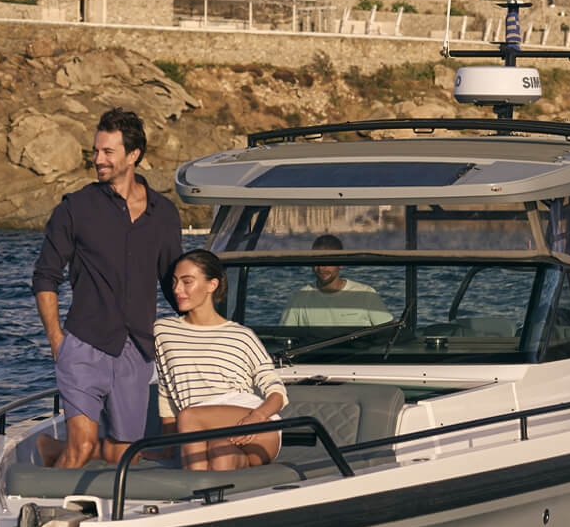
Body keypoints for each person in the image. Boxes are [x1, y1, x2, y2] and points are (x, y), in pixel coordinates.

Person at [32, 107, 183, 469]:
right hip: (85, 344)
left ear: (133, 155)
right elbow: (45, 277)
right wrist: (57, 341)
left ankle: (52, 450)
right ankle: (51, 502)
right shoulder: (75, 208)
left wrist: (205, 329)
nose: (98, 159)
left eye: (108, 152)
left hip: (137, 351)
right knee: (81, 447)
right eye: (95, 151)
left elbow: (172, 282)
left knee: (122, 454)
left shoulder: (164, 213)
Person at [153, 249, 287, 471]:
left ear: (212, 285)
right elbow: (166, 394)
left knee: (189, 417)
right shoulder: (163, 331)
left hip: (252, 424)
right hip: (203, 431)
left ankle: (195, 487)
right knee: (220, 454)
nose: (177, 289)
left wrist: (256, 418)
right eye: (174, 282)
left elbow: (277, 392)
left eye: (187, 282)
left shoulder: (241, 335)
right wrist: (167, 448)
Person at [278, 234, 393, 328]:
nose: (322, 267)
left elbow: (390, 334)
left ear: (341, 263)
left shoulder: (366, 294)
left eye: (328, 261)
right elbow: (283, 340)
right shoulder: (298, 299)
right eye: (317, 261)